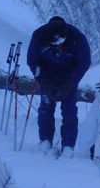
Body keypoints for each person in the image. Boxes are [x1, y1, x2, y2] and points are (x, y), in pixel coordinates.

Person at [27, 16, 91, 157]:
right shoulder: (38, 36)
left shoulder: (77, 37)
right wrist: (43, 81)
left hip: (69, 77)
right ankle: (45, 142)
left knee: (69, 111)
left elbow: (84, 62)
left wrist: (71, 82)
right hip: (47, 76)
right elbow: (33, 61)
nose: (57, 46)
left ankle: (68, 146)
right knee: (45, 108)